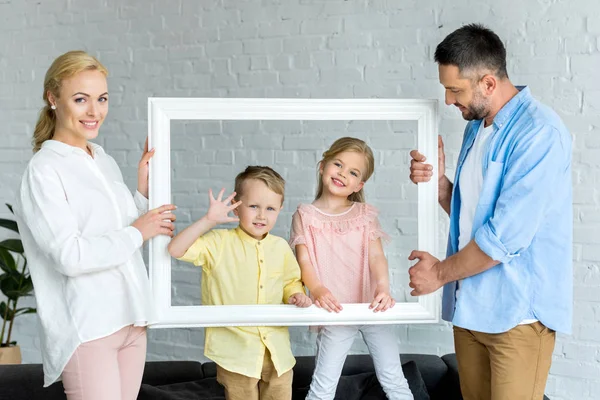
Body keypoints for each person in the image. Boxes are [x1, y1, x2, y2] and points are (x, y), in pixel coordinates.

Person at [408, 24, 572, 399]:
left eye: (455, 90)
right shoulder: (478, 127)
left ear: (487, 83)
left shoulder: (539, 134)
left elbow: (504, 237)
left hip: (516, 318)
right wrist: (440, 187)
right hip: (470, 310)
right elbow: (474, 216)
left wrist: (439, 274)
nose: (449, 101)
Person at [14, 50, 177, 400]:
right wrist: (139, 231)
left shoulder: (101, 158)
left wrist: (142, 195)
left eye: (101, 99)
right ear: (52, 99)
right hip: (90, 327)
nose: (94, 111)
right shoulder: (44, 170)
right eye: (80, 99)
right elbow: (70, 256)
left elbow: (113, 230)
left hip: (131, 320)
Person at [167, 166, 312, 400]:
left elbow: (290, 282)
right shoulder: (218, 242)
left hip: (277, 353)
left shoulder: (281, 247)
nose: (262, 215)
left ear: (280, 210)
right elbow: (175, 249)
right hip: (236, 353)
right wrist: (209, 220)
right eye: (254, 206)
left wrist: (295, 294)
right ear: (236, 205)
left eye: (270, 208)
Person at [290, 137, 414, 400]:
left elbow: (377, 257)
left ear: (359, 184)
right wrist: (318, 288)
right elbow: (304, 261)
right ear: (323, 165)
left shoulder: (364, 214)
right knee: (323, 387)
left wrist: (383, 288)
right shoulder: (305, 215)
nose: (343, 174)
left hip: (372, 308)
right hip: (334, 311)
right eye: (338, 164)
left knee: (394, 379)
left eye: (353, 172)